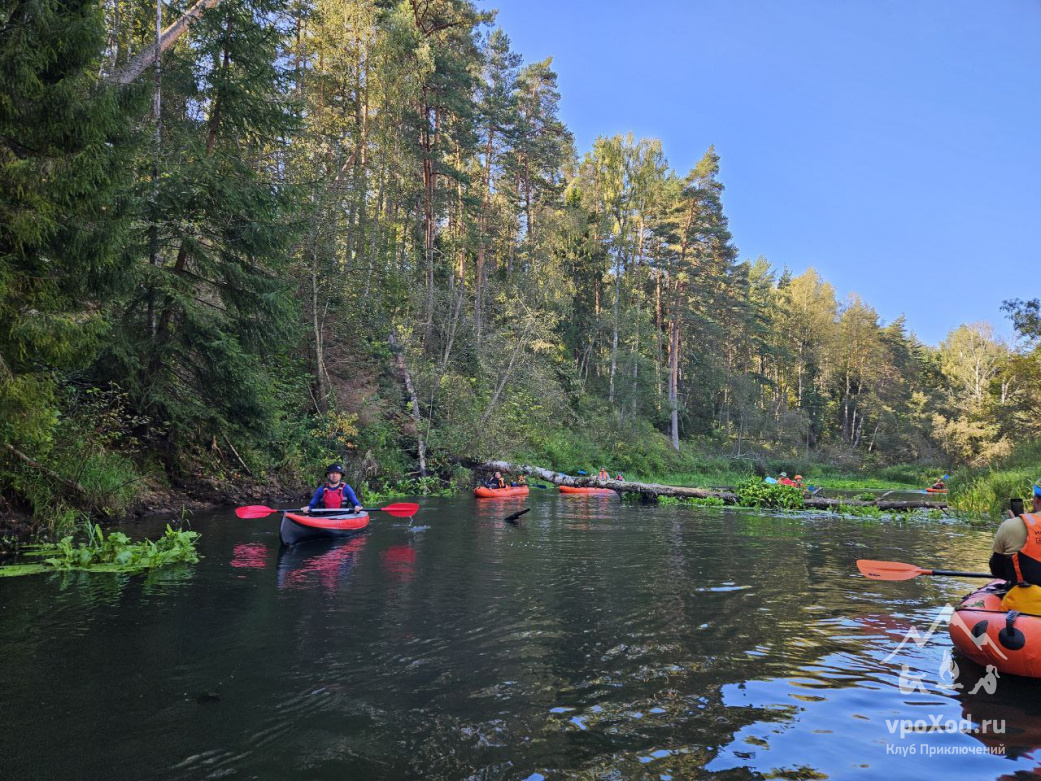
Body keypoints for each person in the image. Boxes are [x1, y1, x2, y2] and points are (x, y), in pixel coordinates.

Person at [989, 478, 1041, 585]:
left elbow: (997, 570)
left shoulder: (1010, 525)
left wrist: (1014, 522)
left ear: (1036, 500)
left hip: (1025, 592)